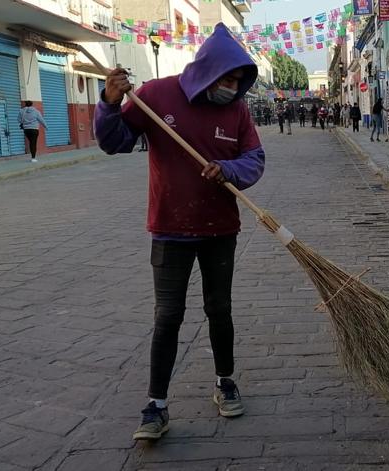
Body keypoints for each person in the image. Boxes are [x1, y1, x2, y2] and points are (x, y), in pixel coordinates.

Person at [94, 22, 266, 441]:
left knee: (219, 309)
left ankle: (225, 381)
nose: (232, 86)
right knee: (168, 316)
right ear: (207, 70)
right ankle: (156, 405)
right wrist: (108, 102)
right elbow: (114, 141)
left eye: (238, 80)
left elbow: (255, 159)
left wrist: (227, 168)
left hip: (220, 229)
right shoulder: (155, 96)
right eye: (227, 78)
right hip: (170, 229)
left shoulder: (237, 110)